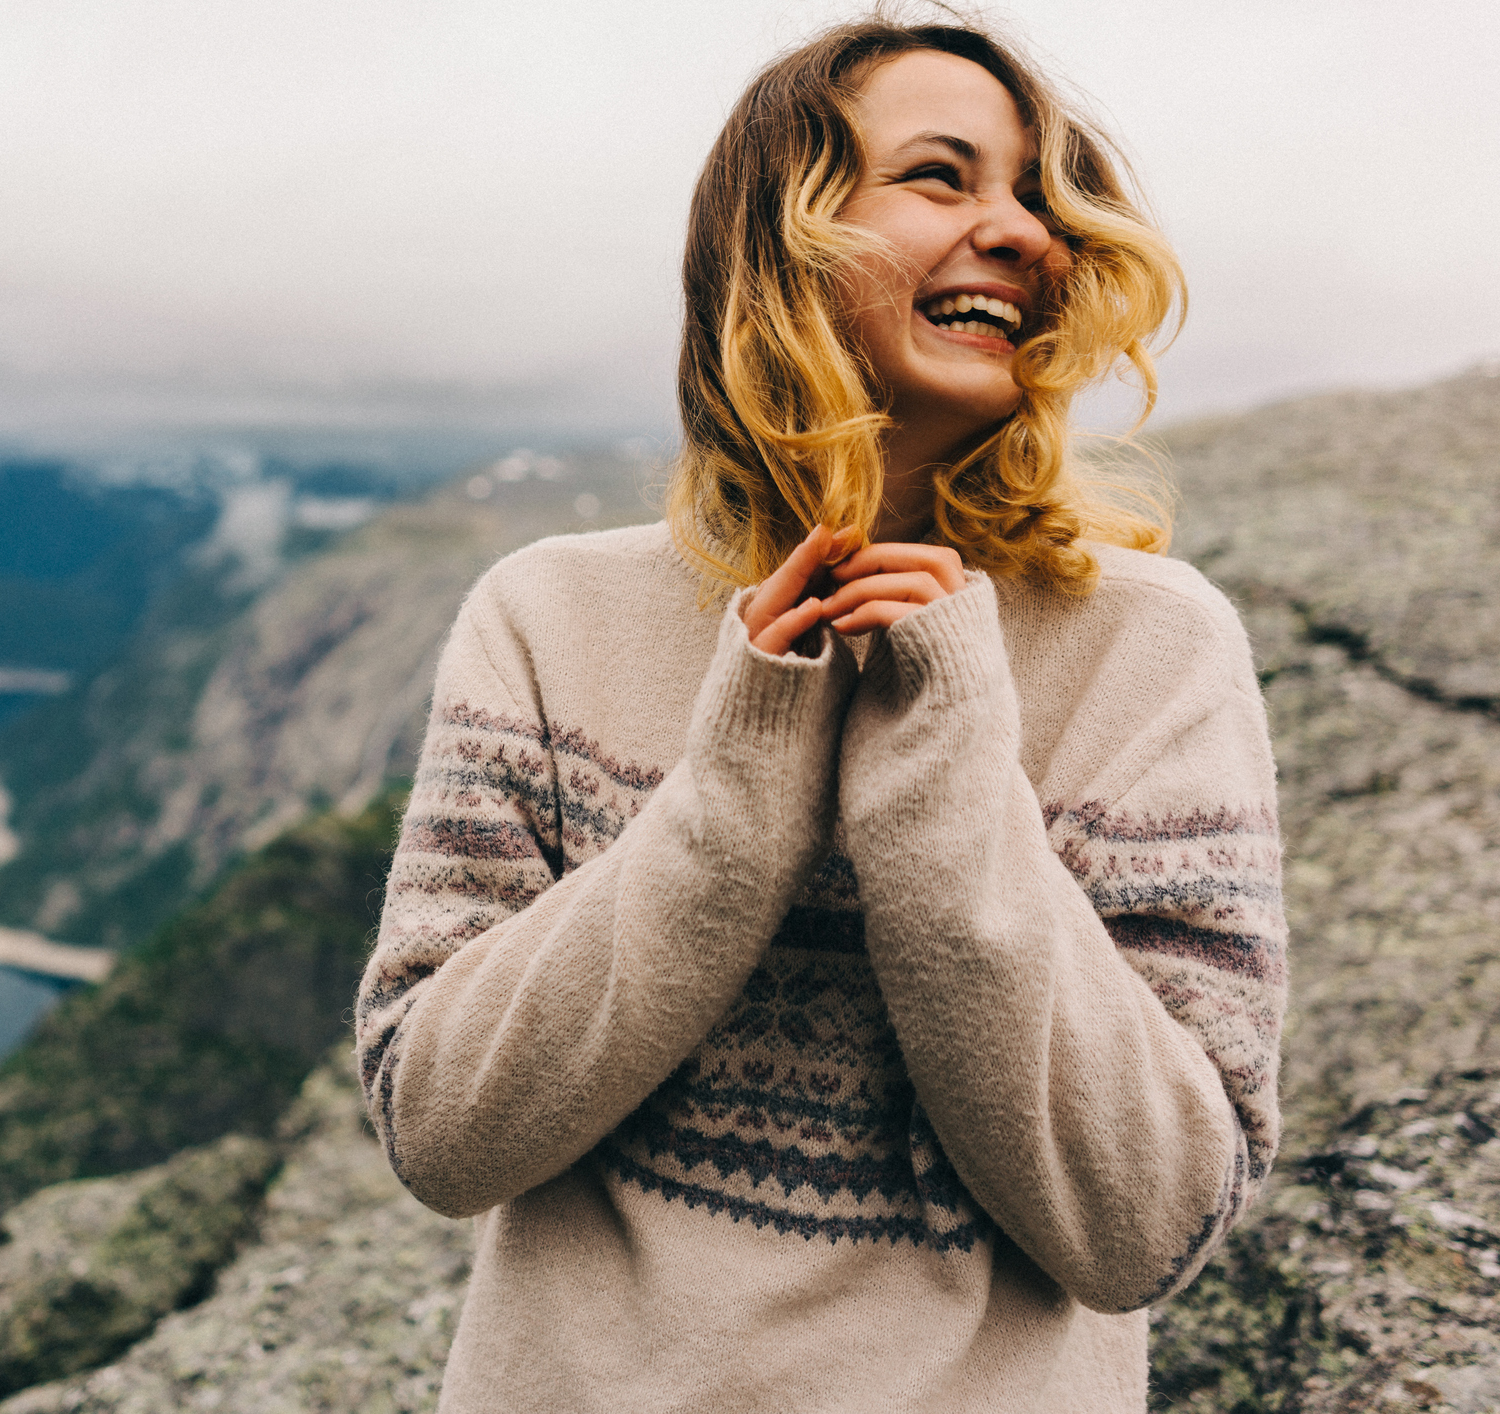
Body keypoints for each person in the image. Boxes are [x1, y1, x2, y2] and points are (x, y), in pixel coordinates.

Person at [354, 16, 1285, 1414]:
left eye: (1037, 193)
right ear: (781, 245)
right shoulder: (544, 617)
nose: (1021, 231)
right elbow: (440, 1128)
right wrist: (732, 794)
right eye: (942, 176)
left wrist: (955, 775)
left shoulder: (1150, 650)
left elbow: (1148, 1223)